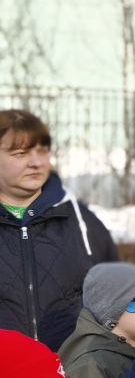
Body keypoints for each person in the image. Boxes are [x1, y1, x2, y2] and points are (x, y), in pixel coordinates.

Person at [0, 110, 118, 351]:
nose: (36, 162)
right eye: (20, 153)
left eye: (42, 151)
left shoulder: (81, 221)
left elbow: (116, 301)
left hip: (71, 376)